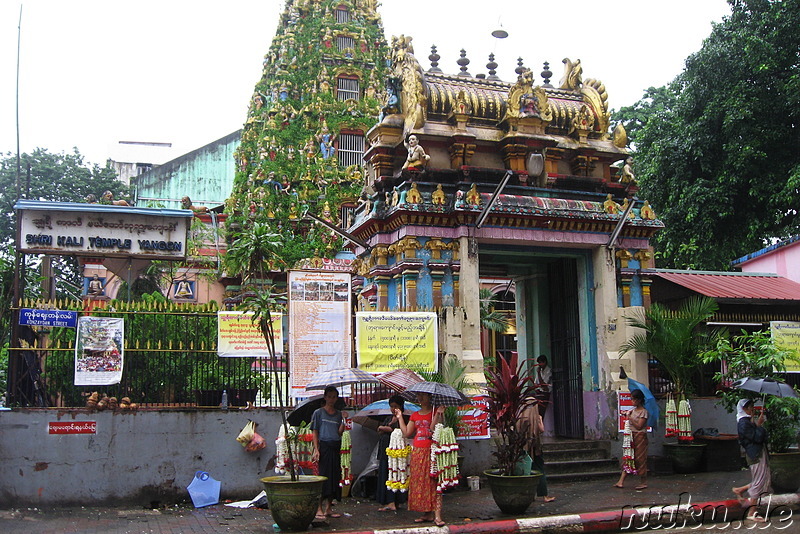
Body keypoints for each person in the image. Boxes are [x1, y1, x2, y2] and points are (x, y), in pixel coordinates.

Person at [395, 391, 445, 527]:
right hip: (417, 451)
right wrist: (400, 417)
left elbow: (434, 428)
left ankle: (437, 515)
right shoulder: (414, 415)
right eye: (419, 396)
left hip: (431, 452)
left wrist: (439, 414)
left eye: (424, 395)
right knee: (420, 482)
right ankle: (427, 513)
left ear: (430, 397)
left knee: (433, 482)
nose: (421, 398)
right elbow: (406, 433)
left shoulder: (436, 412)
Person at [311, 386, 349, 521]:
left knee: (334, 477)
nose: (332, 399)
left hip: (335, 446)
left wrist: (344, 420)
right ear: (325, 397)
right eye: (330, 396)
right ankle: (319, 508)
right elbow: (315, 431)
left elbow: (340, 432)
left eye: (334, 397)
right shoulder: (318, 413)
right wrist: (316, 449)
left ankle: (328, 508)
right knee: (323, 477)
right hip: (324, 447)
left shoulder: (338, 414)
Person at [732, 399, 771, 522]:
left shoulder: (747, 421)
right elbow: (756, 438)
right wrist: (759, 425)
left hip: (758, 453)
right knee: (759, 482)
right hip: (755, 455)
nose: (752, 409)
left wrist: (755, 422)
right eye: (750, 407)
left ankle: (740, 490)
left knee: (764, 479)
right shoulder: (743, 423)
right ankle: (752, 512)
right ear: (744, 409)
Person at [375, 395, 408, 511]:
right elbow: (379, 430)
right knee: (385, 474)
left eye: (396, 406)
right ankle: (389, 501)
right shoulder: (389, 418)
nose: (393, 409)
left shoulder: (402, 419)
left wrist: (386, 427)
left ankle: (393, 501)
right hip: (385, 450)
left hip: (396, 452)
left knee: (395, 474)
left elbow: (397, 431)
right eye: (392, 406)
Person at [518, 399, 555, 502]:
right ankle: (544, 495)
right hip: (535, 447)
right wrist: (540, 420)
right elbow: (541, 430)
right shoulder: (537, 417)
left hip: (524, 447)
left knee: (527, 471)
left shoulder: (521, 416)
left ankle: (529, 494)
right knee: (539, 470)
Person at [614, 388, 648, 490]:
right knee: (629, 457)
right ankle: (621, 481)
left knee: (640, 458)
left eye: (634, 399)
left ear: (639, 400)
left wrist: (630, 418)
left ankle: (643, 481)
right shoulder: (632, 411)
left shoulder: (644, 412)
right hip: (630, 436)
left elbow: (639, 426)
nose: (632, 401)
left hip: (640, 436)